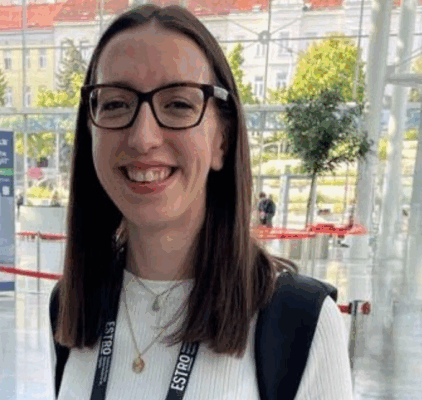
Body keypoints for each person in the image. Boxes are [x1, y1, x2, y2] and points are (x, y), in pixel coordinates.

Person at [49, 5, 351, 399]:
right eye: (116, 103)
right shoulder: (72, 305)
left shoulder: (298, 322)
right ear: (91, 129)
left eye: (178, 105)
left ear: (221, 141)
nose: (143, 138)